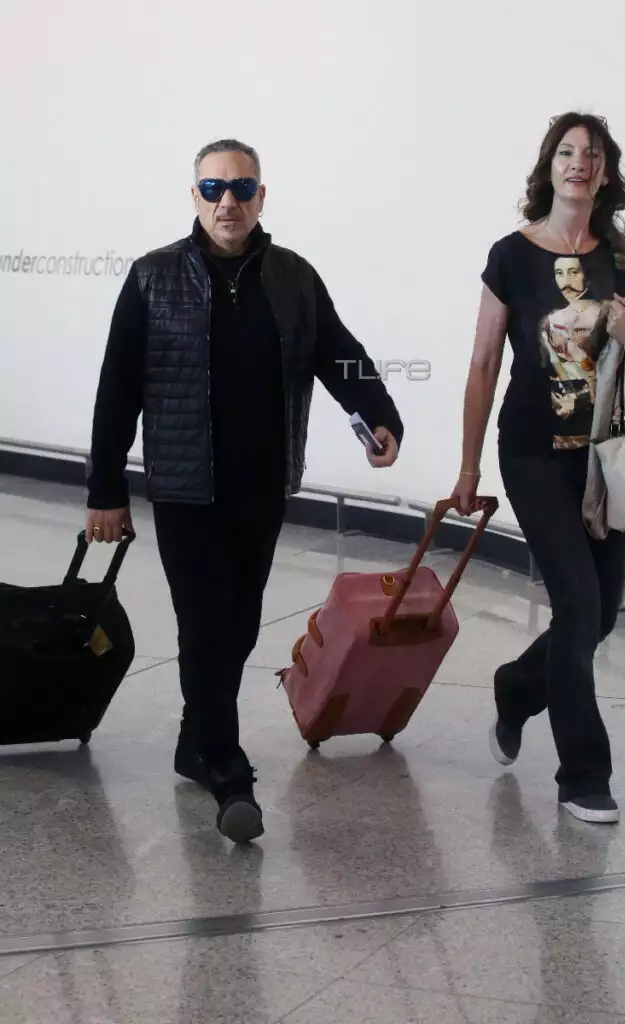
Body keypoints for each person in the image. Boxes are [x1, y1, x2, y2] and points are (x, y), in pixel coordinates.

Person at [85, 138, 404, 843]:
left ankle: (194, 739)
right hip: (185, 488)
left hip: (262, 485)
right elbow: (117, 388)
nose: (226, 201)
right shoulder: (152, 277)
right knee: (206, 623)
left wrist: (381, 416)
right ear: (194, 196)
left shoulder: (293, 277)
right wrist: (105, 488)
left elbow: (340, 354)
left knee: (241, 622)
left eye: (240, 187)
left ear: (261, 196)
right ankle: (227, 768)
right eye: (212, 188)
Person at [451, 112, 625, 824]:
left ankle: (515, 688)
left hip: (604, 458)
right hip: (533, 451)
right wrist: (469, 468)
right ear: (550, 166)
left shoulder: (622, 258)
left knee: (599, 617)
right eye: (567, 152)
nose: (579, 163)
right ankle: (583, 776)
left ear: (605, 171)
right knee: (577, 606)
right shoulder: (511, 255)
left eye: (591, 154)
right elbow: (483, 364)